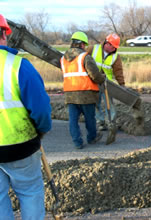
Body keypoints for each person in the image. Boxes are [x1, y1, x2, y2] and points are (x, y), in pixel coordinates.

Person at [0, 14, 52, 220]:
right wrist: (42, 129)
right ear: (4, 33)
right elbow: (40, 110)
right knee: (30, 193)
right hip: (20, 146)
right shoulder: (18, 66)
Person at [60, 31, 106, 149]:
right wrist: (102, 78)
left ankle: (77, 142)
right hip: (86, 93)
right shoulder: (85, 57)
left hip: (70, 94)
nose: (85, 47)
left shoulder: (63, 59)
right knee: (89, 118)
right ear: (81, 44)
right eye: (84, 44)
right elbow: (95, 75)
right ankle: (92, 138)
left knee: (73, 120)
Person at [87, 33, 125, 130]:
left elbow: (118, 71)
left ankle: (112, 122)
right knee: (96, 103)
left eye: (115, 48)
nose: (114, 49)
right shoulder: (93, 49)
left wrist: (122, 85)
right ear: (107, 43)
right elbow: (83, 61)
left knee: (110, 103)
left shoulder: (115, 57)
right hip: (93, 81)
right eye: (112, 47)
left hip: (107, 84)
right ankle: (100, 122)